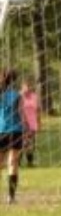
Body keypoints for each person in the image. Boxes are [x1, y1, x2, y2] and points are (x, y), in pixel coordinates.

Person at [0, 69, 26, 203]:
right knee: (13, 164)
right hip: (15, 131)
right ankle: (11, 197)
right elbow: (22, 115)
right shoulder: (17, 95)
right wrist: (26, 131)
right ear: (13, 80)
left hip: (1, 131)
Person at [20, 80, 41, 167]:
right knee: (23, 143)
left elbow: (38, 110)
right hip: (22, 124)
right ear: (22, 87)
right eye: (25, 86)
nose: (27, 88)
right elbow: (18, 110)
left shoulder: (34, 96)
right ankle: (18, 162)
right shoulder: (19, 96)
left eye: (29, 86)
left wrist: (39, 122)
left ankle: (30, 162)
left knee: (31, 144)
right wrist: (23, 120)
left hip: (32, 124)